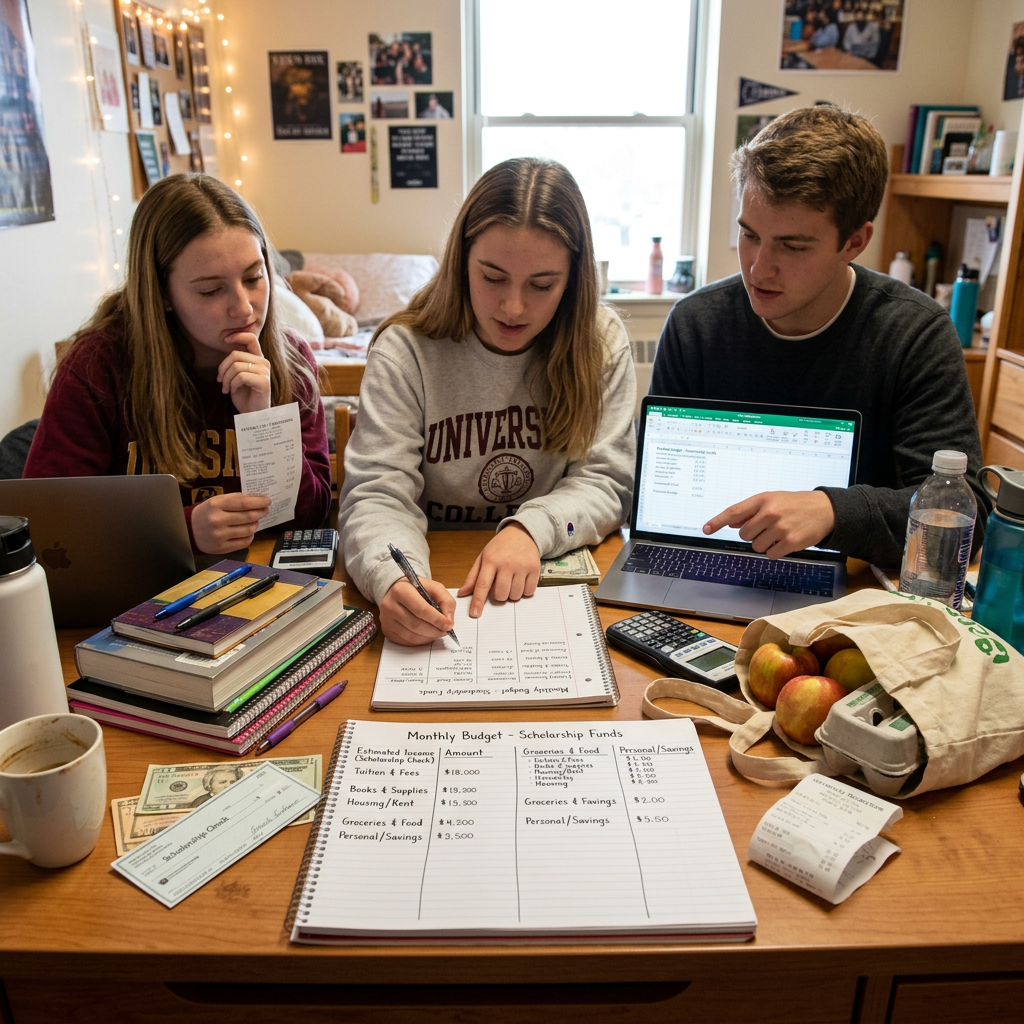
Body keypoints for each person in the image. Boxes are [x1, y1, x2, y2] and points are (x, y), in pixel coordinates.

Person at [649, 105, 988, 570]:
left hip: (852, 598)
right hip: (709, 566)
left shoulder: (915, 334)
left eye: (792, 246)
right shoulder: (696, 325)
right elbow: (662, 501)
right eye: (749, 235)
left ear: (854, 241)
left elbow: (964, 516)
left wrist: (832, 510)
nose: (757, 268)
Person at [339, 157, 636, 646]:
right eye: (492, 278)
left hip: (543, 578)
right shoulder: (405, 350)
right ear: (461, 262)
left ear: (573, 279)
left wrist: (529, 531)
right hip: (437, 577)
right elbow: (378, 493)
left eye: (542, 285)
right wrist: (392, 578)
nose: (514, 307)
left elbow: (607, 481)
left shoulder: (600, 342)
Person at [25, 173, 331, 555]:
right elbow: (49, 522)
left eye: (254, 277)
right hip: (139, 592)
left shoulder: (290, 359)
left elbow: (312, 518)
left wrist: (263, 423)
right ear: (162, 293)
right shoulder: (97, 366)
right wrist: (181, 530)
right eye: (210, 290)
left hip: (261, 585)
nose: (243, 307)